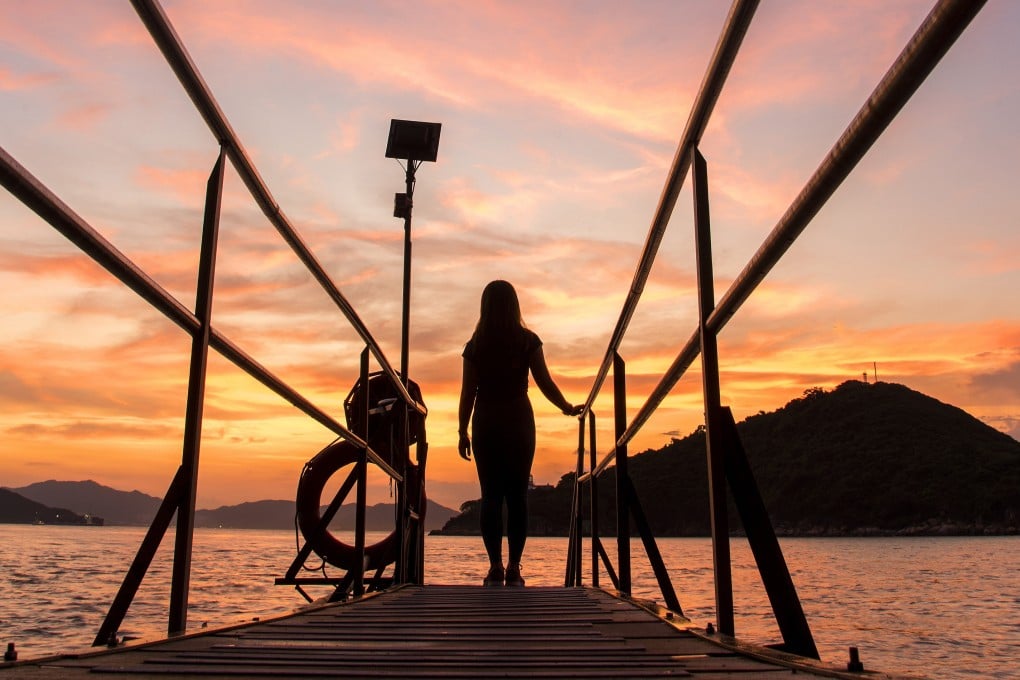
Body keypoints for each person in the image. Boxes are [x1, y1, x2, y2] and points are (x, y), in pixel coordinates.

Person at [458, 280, 583, 587]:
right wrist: (566, 407)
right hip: (518, 421)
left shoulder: (475, 346)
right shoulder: (528, 340)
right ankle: (514, 567)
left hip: (486, 421)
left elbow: (467, 393)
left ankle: (495, 567)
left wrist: (462, 431)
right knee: (517, 497)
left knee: (490, 497)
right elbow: (544, 381)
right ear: (515, 305)